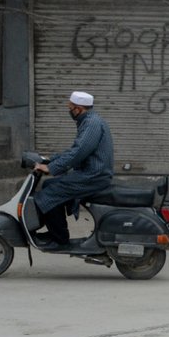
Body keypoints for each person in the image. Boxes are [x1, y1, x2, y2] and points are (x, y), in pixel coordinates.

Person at [32, 91, 114, 248]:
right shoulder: (89, 121)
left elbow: (79, 152)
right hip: (90, 174)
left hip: (93, 176)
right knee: (49, 185)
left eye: (70, 108)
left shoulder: (91, 124)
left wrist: (51, 168)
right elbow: (75, 150)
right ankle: (55, 232)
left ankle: (59, 239)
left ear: (78, 109)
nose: (69, 111)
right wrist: (51, 159)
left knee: (48, 195)